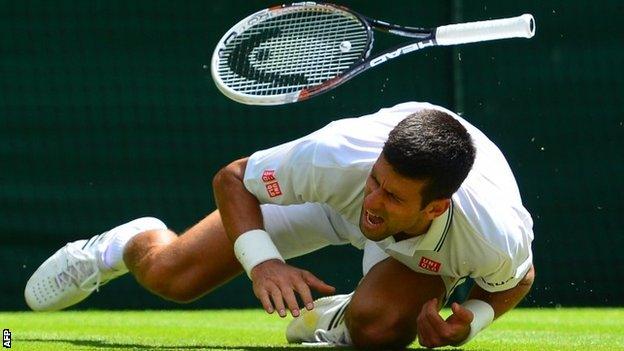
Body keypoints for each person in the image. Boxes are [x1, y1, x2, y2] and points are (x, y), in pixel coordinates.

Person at [25, 102, 535, 349]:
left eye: (393, 195)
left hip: (412, 251)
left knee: (379, 327)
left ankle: (346, 317)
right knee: (172, 277)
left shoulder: (491, 235)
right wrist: (264, 262)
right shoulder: (338, 158)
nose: (374, 201)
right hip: (328, 201)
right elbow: (233, 179)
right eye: (376, 181)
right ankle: (120, 245)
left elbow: (518, 280)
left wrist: (471, 319)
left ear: (435, 209)